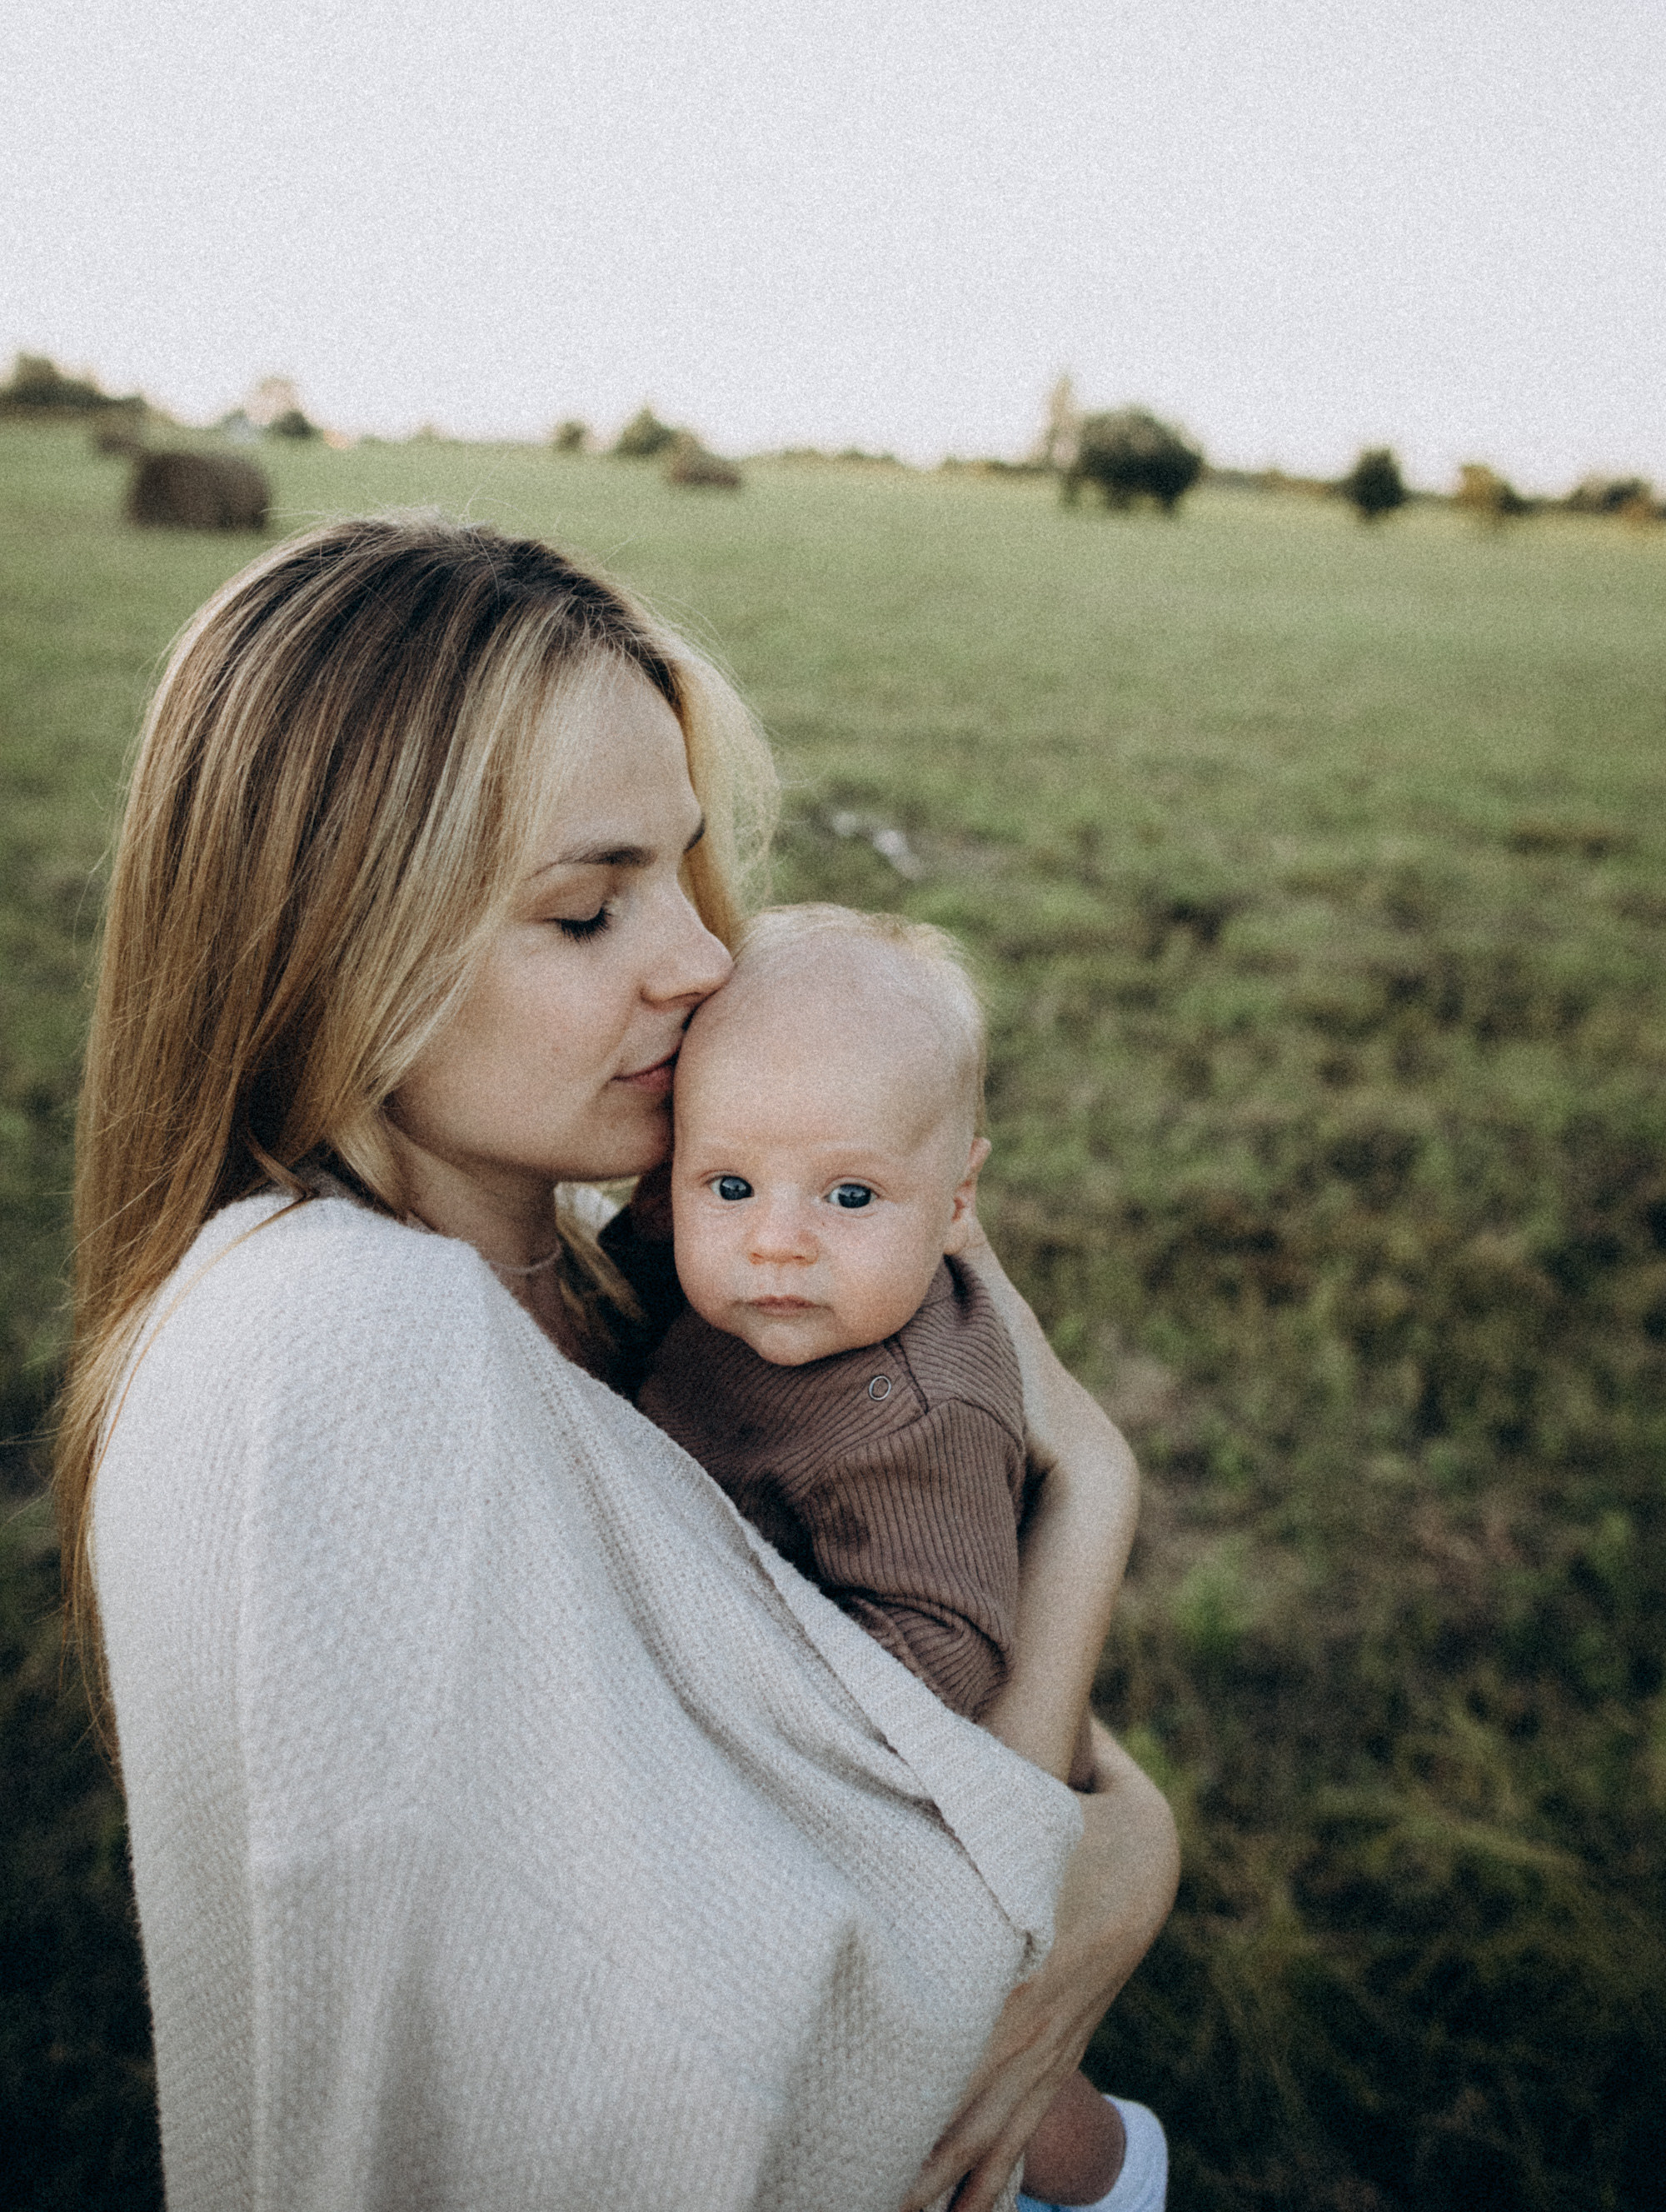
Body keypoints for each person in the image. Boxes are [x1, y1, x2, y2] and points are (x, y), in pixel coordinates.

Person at [57, 513, 1179, 2212]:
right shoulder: (352, 1347)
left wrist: (1127, 1840)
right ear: (328, 943)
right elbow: (817, 2019)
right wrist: (1093, 1496)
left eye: (680, 863)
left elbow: (883, 1687)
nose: (703, 957)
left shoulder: (610, 1266)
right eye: (588, 912)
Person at [621, 903, 1165, 2211]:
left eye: (851, 1195)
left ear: (959, 1200)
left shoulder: (915, 1417)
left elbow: (946, 1648)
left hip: (901, 1808)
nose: (779, 1243)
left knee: (965, 2106)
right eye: (728, 1184)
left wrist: (740, 1700)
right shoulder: (751, 1283)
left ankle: (1117, 2179)